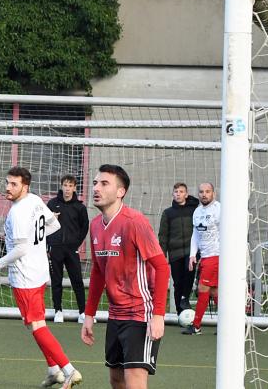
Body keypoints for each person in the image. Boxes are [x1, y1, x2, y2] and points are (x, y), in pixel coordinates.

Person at [0, 167, 82, 389]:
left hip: (24, 276)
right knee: (33, 324)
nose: (8, 187)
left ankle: (69, 370)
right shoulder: (36, 200)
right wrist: (36, 240)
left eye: (13, 184)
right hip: (38, 273)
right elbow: (54, 225)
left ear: (24, 186)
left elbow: (20, 249)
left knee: (36, 326)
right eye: (7, 182)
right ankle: (54, 370)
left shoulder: (17, 212)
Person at [81, 164, 170, 389]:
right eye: (95, 183)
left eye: (104, 183)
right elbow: (98, 272)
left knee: (135, 379)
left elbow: (162, 267)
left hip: (140, 313)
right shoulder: (95, 225)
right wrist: (89, 315)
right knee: (116, 379)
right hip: (115, 315)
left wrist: (158, 315)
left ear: (121, 192)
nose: (96, 188)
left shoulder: (134, 222)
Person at [46, 175, 89, 324]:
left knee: (77, 280)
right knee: (56, 280)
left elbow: (85, 227)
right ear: (61, 186)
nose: (67, 189)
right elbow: (43, 225)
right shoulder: (52, 204)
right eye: (65, 185)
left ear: (75, 188)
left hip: (71, 249)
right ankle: (58, 311)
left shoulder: (80, 207)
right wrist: (51, 220)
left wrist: (75, 243)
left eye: (70, 186)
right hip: (55, 248)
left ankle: (83, 312)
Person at [184, 182, 220, 335]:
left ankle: (196, 325)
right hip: (205, 257)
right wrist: (193, 254)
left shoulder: (220, 209)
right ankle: (228, 325)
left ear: (214, 193)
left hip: (216, 256)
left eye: (207, 191)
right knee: (214, 292)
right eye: (201, 192)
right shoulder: (197, 211)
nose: (204, 194)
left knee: (202, 289)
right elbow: (196, 235)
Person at [157, 183, 199, 314]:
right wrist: (162, 254)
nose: (178, 194)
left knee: (189, 273)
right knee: (177, 282)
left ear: (186, 194)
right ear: (173, 194)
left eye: (181, 191)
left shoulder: (194, 210)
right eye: (176, 192)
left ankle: (185, 299)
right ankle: (180, 312)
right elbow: (163, 235)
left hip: (190, 251)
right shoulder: (168, 213)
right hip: (175, 253)